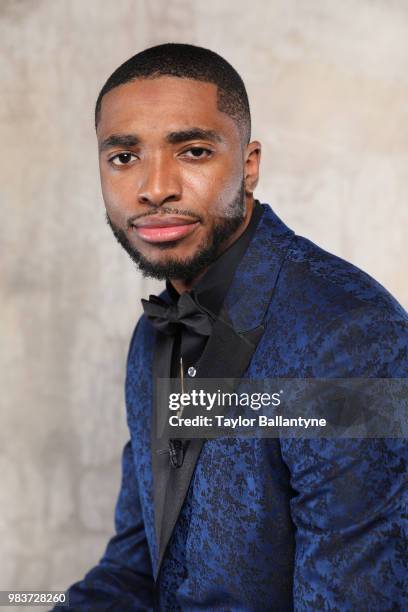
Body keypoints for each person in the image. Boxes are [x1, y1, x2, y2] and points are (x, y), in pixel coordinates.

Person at [59, 43, 407, 611]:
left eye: (192, 151)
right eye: (124, 157)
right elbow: (134, 570)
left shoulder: (353, 335)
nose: (155, 188)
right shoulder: (151, 334)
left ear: (249, 166)